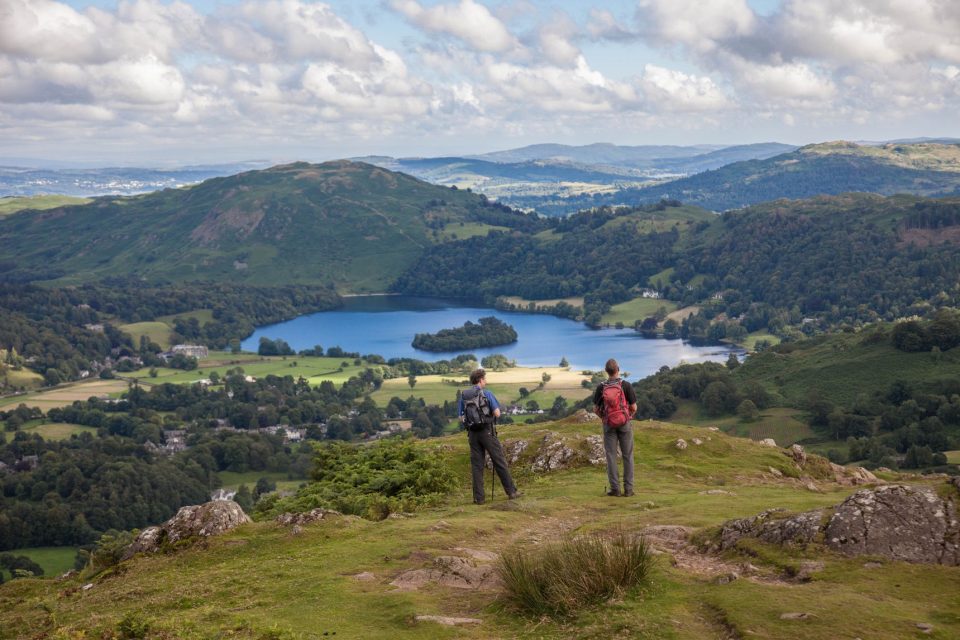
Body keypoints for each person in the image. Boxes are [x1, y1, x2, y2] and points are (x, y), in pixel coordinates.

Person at [458, 368, 521, 504]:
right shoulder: (487, 394)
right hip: (487, 432)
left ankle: (479, 499)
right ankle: (512, 492)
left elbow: (460, 417)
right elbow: (497, 413)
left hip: (472, 434)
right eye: (485, 379)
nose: (486, 381)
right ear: (480, 380)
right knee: (499, 461)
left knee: (477, 466)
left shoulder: (464, 396)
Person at [593, 358, 638, 497]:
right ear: (618, 369)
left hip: (608, 425)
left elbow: (595, 408)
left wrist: (604, 418)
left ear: (606, 371)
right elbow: (634, 407)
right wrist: (628, 417)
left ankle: (615, 489)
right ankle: (629, 490)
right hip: (625, 424)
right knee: (627, 456)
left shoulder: (601, 387)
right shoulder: (626, 385)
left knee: (611, 457)